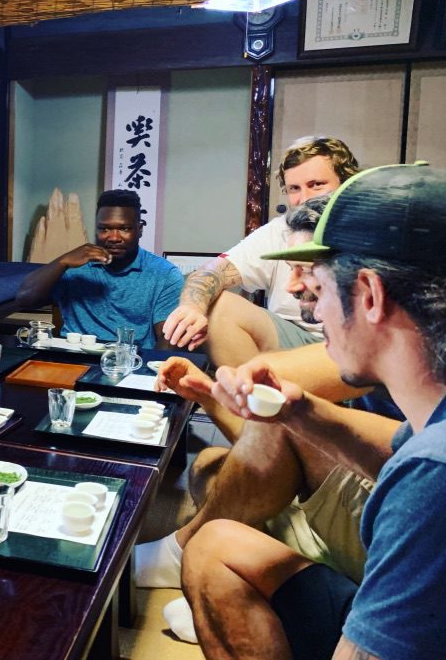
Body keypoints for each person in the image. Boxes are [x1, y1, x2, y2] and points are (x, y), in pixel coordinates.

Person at [182, 163, 446, 659]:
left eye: (319, 289)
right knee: (214, 530)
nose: (306, 299)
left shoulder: (433, 478)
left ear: (369, 294)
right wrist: (296, 413)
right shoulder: (431, 433)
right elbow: (400, 450)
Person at [135, 196, 400, 644]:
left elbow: (420, 468)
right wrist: (211, 393)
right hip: (365, 493)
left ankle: (197, 559)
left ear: (371, 288)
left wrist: (275, 401)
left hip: (395, 538)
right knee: (210, 467)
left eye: (307, 268)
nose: (294, 286)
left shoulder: (397, 358)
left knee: (213, 546)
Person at [163, 136, 359, 366]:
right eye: (294, 188)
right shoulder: (281, 230)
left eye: (316, 184)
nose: (304, 199)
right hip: (293, 342)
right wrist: (192, 307)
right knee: (219, 304)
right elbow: (211, 271)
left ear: (346, 183)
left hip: (359, 347)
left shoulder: (370, 230)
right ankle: (251, 397)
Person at [14, 189, 182, 349]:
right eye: (105, 229)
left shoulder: (164, 274)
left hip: (129, 361)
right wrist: (62, 262)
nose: (114, 238)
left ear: (140, 229)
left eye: (124, 229)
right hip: (73, 358)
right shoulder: (75, 265)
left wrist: (150, 374)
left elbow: (167, 338)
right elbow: (25, 300)